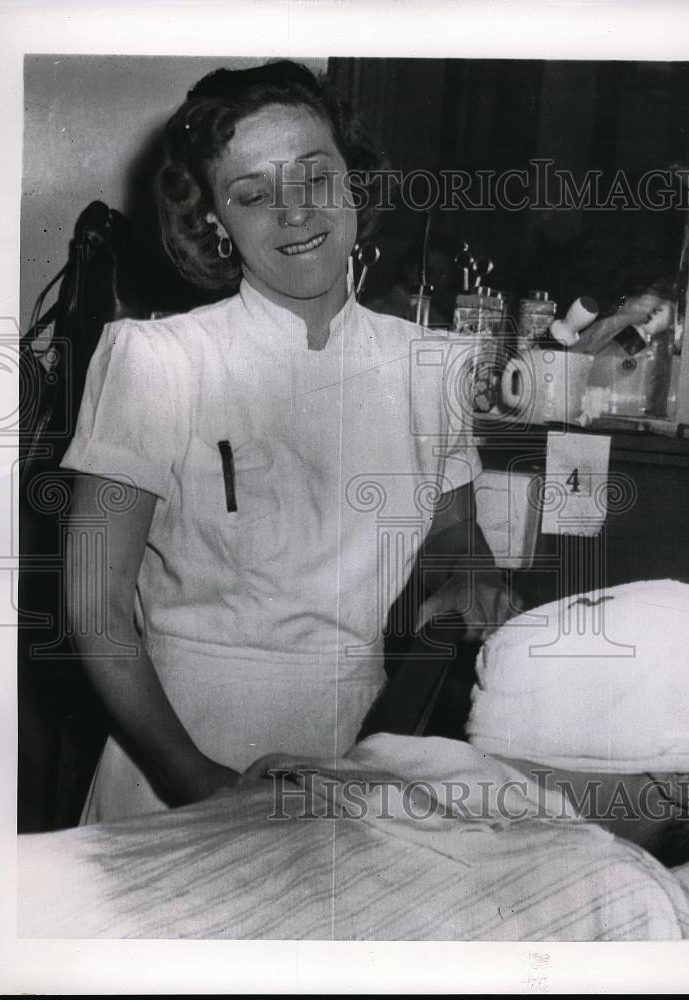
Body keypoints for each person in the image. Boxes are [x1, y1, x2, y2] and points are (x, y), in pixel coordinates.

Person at [63, 60, 514, 824]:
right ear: (214, 219)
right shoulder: (157, 360)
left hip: (356, 749)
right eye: (253, 193)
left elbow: (454, 531)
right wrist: (196, 780)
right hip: (178, 755)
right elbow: (93, 605)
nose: (295, 212)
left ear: (354, 184)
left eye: (315, 177)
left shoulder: (428, 364)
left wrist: (472, 574)